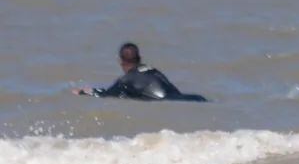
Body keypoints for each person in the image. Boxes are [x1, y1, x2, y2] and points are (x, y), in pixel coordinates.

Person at [72, 43, 207, 102]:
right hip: (193, 98)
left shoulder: (125, 81)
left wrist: (84, 92)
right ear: (140, 59)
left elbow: (108, 94)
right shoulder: (153, 70)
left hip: (169, 102)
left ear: (120, 62)